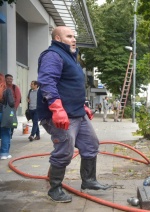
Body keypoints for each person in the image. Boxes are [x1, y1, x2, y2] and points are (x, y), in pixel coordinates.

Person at [37, 26, 110, 203]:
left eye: (74, 36)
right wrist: (57, 109)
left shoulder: (71, 57)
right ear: (58, 39)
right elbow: (47, 82)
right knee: (64, 151)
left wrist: (83, 106)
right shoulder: (53, 55)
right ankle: (54, 189)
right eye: (69, 36)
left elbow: (72, 86)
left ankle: (89, 181)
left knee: (91, 144)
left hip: (77, 113)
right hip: (62, 115)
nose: (73, 39)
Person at [0, 73, 15, 160]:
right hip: (3, 114)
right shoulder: (7, 90)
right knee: (5, 133)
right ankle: (4, 153)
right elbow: (11, 103)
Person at [5, 74, 21, 138]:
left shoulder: (15, 87)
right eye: (8, 79)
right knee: (4, 121)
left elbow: (18, 98)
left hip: (11, 108)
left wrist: (15, 108)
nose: (9, 80)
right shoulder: (3, 87)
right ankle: (6, 133)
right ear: (5, 79)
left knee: (11, 121)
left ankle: (10, 133)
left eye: (11, 79)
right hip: (3, 108)